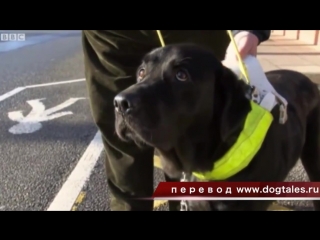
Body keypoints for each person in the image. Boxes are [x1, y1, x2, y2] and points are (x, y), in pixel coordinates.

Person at [82, 30, 271, 211]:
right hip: (111, 35)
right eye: (142, 73)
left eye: (180, 75)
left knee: (201, 138)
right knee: (124, 146)